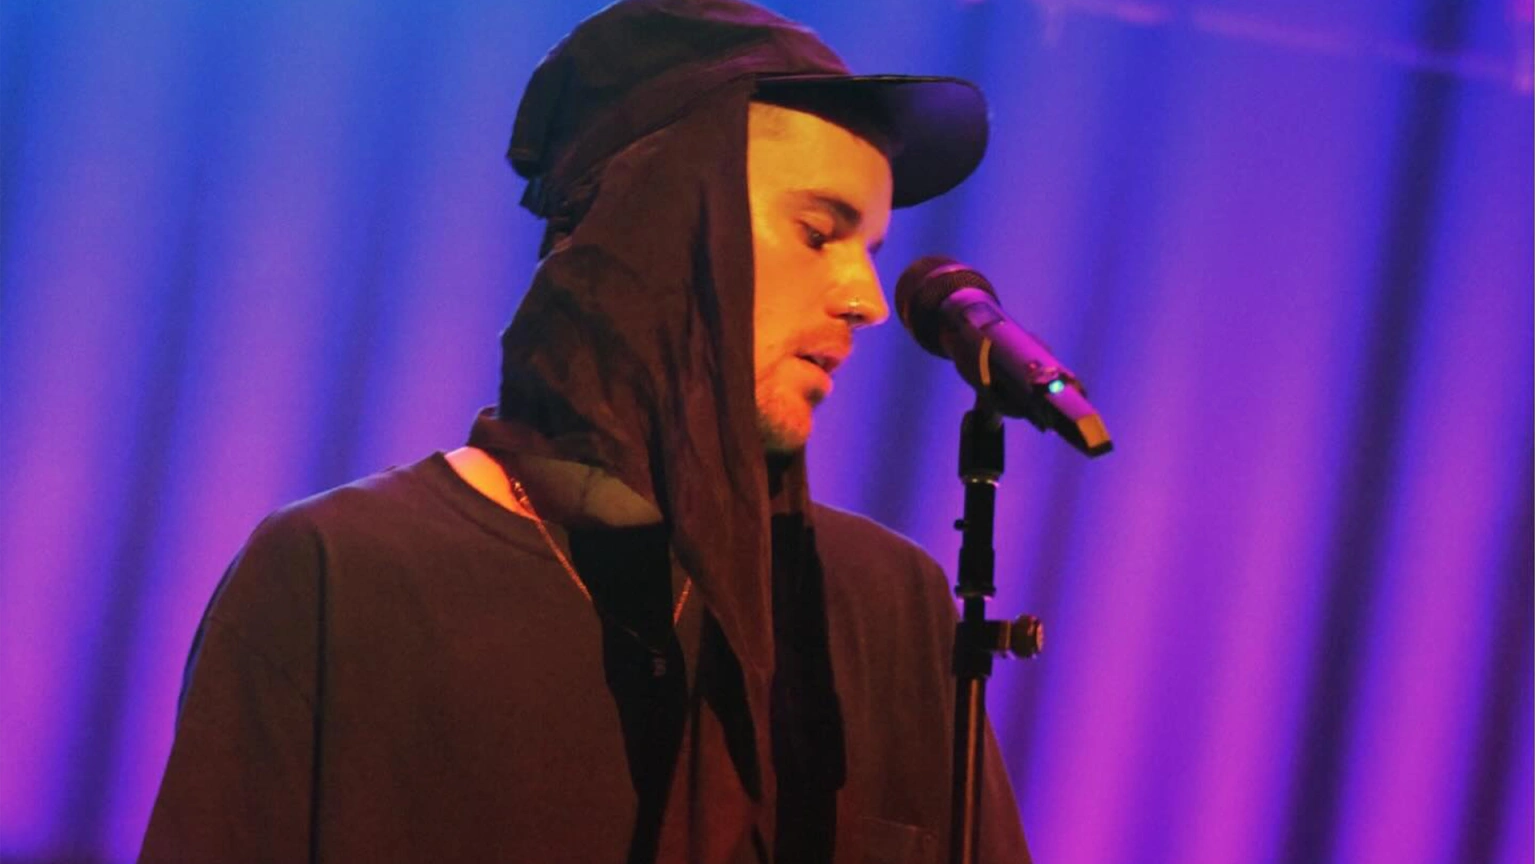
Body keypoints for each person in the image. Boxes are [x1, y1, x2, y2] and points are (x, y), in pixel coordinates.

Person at [139, 1, 1032, 862]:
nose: (867, 301)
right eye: (817, 232)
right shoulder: (341, 573)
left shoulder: (885, 603)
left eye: (870, 251)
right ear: (656, 225)